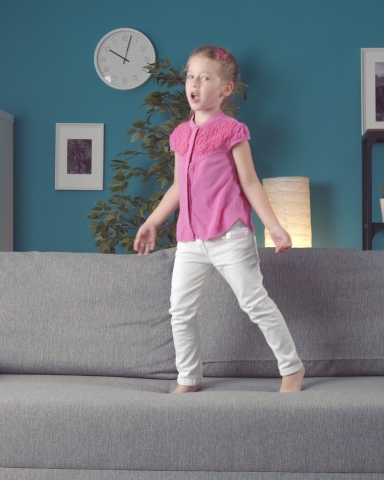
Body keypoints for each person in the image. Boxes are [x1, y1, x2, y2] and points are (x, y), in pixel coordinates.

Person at [133, 45, 305, 394]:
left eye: (205, 77)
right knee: (180, 311)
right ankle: (189, 379)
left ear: (225, 89)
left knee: (254, 302)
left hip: (230, 236)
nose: (194, 83)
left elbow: (251, 182)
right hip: (190, 240)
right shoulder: (180, 135)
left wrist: (274, 226)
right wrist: (152, 221)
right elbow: (178, 188)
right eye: (190, 76)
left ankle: (292, 368)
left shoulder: (232, 130)